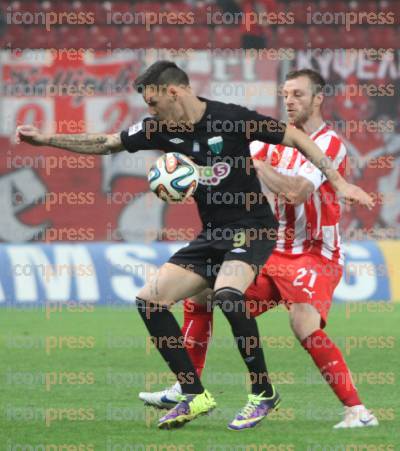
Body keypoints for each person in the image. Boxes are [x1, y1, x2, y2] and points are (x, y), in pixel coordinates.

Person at [16, 61, 373, 430]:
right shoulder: (159, 129)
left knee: (228, 295)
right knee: (150, 300)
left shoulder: (230, 118)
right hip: (213, 234)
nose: (149, 112)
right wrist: (46, 139)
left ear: (174, 92)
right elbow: (107, 143)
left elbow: (296, 138)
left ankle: (262, 393)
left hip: (252, 229)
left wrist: (340, 183)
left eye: (153, 103)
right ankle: (193, 392)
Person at [138, 69, 379, 430]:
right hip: (272, 249)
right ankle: (187, 387)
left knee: (303, 324)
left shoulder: (327, 144)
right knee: (204, 292)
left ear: (317, 99)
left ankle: (358, 412)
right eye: (285, 93)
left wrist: (253, 162)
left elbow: (295, 191)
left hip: (314, 254)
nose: (289, 100)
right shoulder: (267, 141)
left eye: (298, 94)